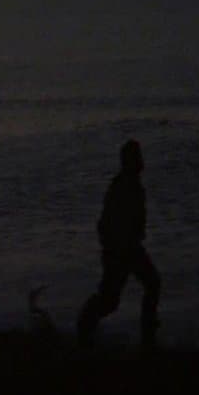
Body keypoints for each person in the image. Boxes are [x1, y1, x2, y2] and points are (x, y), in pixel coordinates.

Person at [78, 139, 160, 348]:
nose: (142, 161)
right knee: (111, 300)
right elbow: (106, 223)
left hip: (128, 248)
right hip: (122, 250)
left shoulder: (130, 184)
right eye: (138, 157)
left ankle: (148, 336)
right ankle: (85, 327)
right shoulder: (123, 186)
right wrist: (114, 247)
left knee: (149, 284)